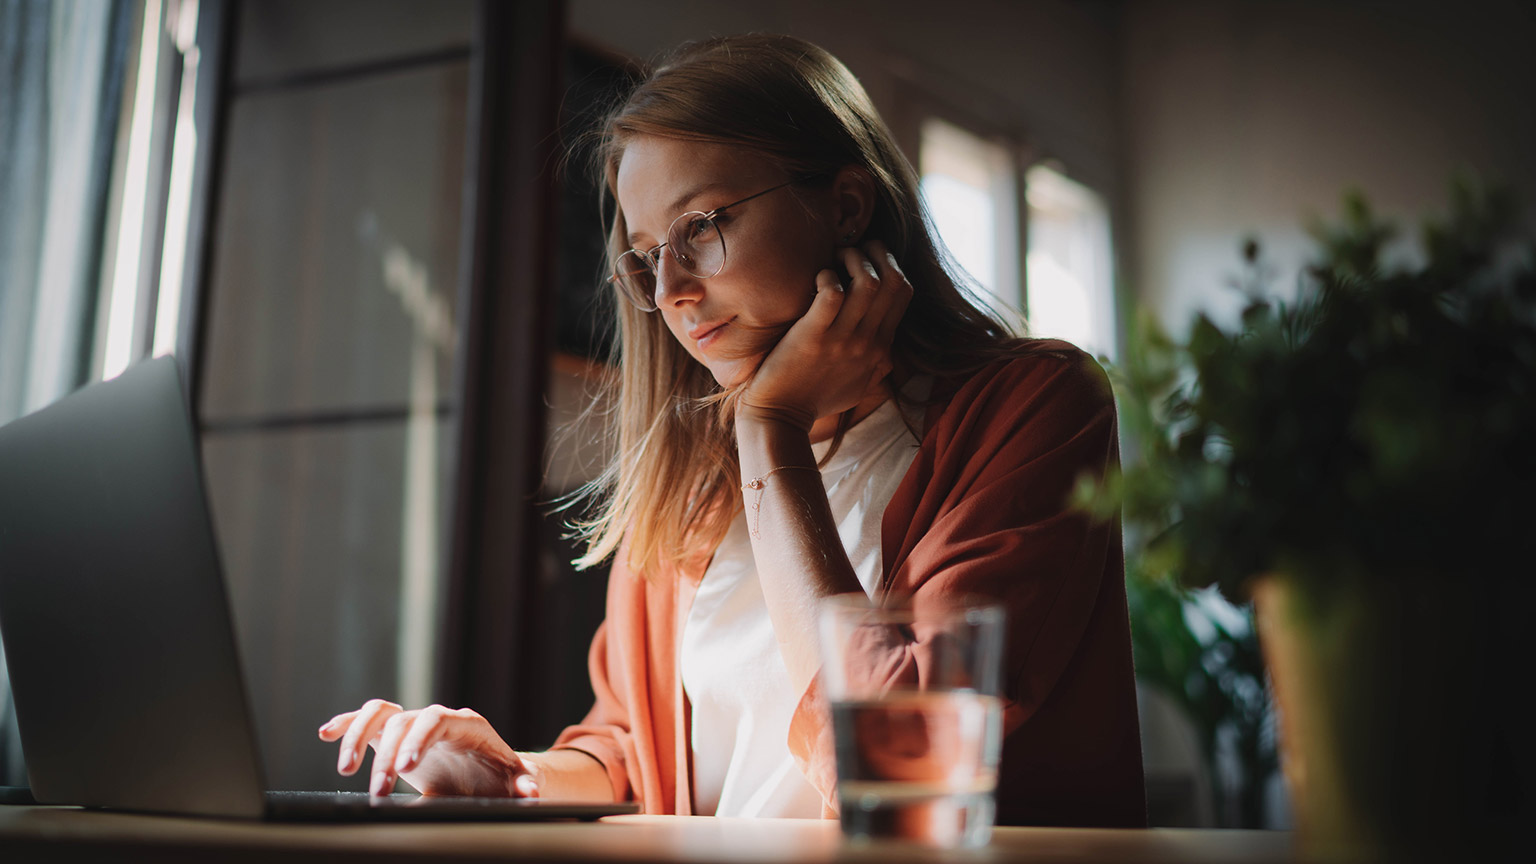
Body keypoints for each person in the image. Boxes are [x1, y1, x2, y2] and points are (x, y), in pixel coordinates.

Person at [320, 34, 1146, 828]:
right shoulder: (689, 487)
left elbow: (900, 764)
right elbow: (633, 753)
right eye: (646, 257)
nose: (672, 288)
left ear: (847, 206)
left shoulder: (1035, 407)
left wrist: (772, 431)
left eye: (702, 227)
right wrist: (515, 776)